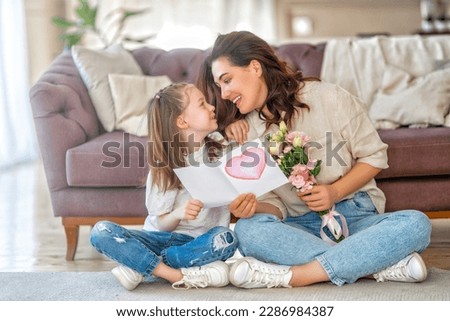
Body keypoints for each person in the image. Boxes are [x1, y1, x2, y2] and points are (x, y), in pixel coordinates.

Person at [197, 30, 432, 288]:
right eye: (219, 86)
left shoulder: (330, 97)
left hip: (355, 216)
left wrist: (334, 191)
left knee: (416, 224)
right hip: (300, 227)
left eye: (227, 80)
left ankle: (301, 275)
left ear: (255, 67)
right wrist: (252, 207)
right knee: (246, 229)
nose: (224, 93)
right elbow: (278, 208)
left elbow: (374, 156)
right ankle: (374, 266)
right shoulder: (245, 131)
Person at [90, 82, 259, 290]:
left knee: (227, 238)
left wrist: (235, 125)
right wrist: (179, 213)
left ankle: (141, 266)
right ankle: (173, 274)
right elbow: (159, 224)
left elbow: (248, 161)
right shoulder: (165, 164)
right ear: (182, 121)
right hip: (159, 238)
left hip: (199, 242)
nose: (211, 107)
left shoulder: (220, 149)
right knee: (101, 231)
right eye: (202, 104)